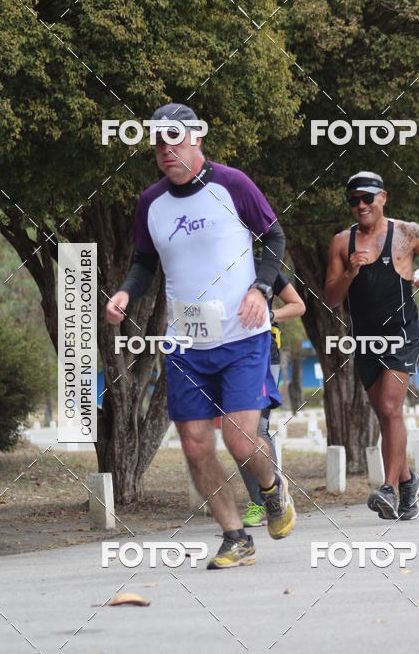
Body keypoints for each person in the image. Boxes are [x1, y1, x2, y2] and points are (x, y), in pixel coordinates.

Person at [106, 103, 296, 568]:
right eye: (157, 142)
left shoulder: (233, 184)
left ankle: (272, 488)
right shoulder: (150, 203)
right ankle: (235, 536)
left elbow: (274, 238)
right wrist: (127, 292)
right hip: (185, 343)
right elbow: (144, 262)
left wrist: (260, 288)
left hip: (242, 335)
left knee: (239, 440)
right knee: (194, 445)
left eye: (174, 138)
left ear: (196, 138)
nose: (165, 149)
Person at [325, 170, 419, 521]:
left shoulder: (407, 233)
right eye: (354, 200)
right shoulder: (342, 242)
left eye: (367, 198)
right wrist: (350, 273)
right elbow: (331, 298)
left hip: (403, 334)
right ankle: (408, 482)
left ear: (382, 197)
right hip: (366, 340)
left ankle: (387, 489)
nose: (361, 205)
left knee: (389, 407)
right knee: (386, 415)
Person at [240, 258, 305, 527]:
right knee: (239, 432)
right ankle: (258, 501)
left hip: (264, 357)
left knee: (259, 428)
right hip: (227, 358)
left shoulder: (263, 268)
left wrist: (271, 315)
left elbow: (298, 305)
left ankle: (271, 500)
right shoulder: (212, 267)